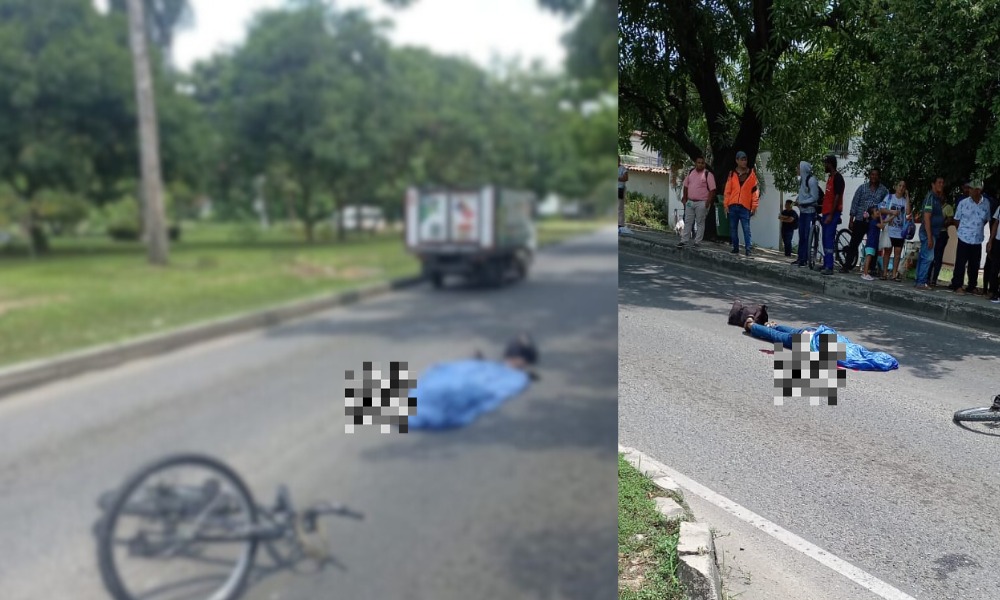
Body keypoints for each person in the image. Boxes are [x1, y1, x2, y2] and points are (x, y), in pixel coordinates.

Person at [408, 334, 539, 430]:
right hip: (458, 389)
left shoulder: (500, 369)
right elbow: (494, 391)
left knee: (445, 384)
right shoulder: (513, 376)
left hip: (449, 389)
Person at [741, 318, 898, 371]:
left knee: (791, 331)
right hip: (809, 341)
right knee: (778, 337)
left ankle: (771, 325)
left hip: (817, 332)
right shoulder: (855, 359)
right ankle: (751, 326)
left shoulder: (859, 350)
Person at [948, 180, 992, 295]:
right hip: (964, 237)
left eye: (972, 189)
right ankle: (957, 285)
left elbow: (987, 219)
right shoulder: (963, 203)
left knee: (974, 264)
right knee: (960, 263)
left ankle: (972, 286)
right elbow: (956, 219)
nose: (970, 190)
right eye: (970, 188)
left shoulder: (986, 203)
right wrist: (962, 230)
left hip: (977, 239)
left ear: (979, 190)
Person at [843, 168, 889, 273]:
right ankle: (847, 265)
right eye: (872, 174)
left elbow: (885, 206)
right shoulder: (862, 188)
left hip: (874, 221)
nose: (874, 177)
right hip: (860, 219)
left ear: (879, 177)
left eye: (876, 175)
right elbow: (855, 203)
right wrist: (851, 219)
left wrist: (883, 220)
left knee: (873, 244)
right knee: (854, 242)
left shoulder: (883, 191)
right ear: (869, 176)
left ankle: (871, 268)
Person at [724, 150, 760, 257]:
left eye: (745, 159)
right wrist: (726, 205)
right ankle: (735, 248)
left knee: (746, 229)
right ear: (737, 160)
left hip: (745, 206)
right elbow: (727, 191)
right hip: (733, 205)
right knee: (733, 228)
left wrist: (754, 206)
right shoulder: (732, 174)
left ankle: (748, 249)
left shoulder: (752, 175)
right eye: (742, 159)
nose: (744, 162)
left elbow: (755, 192)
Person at [915, 176, 947, 290]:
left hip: (933, 233)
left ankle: (919, 280)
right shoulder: (930, 198)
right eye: (939, 182)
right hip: (929, 232)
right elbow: (927, 217)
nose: (941, 185)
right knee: (928, 257)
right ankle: (921, 281)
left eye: (942, 182)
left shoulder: (937, 198)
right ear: (933, 184)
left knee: (924, 256)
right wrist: (929, 237)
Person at [678, 155, 717, 248]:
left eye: (702, 163)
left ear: (704, 164)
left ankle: (697, 242)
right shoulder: (691, 172)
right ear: (695, 163)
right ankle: (684, 240)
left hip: (702, 202)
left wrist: (708, 202)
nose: (700, 164)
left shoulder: (708, 174)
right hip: (690, 202)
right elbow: (686, 186)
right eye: (698, 162)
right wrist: (684, 198)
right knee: (687, 221)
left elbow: (712, 190)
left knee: (700, 222)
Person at [878, 180, 911, 281]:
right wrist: (892, 211)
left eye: (903, 186)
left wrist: (908, 197)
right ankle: (884, 273)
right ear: (896, 187)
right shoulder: (889, 197)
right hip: (889, 229)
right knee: (887, 251)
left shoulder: (904, 201)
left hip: (900, 231)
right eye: (899, 185)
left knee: (897, 252)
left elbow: (908, 213)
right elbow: (881, 209)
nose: (901, 188)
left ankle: (894, 274)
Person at [819, 155, 846, 275]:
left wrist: (831, 214)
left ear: (830, 164)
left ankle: (829, 267)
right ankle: (826, 263)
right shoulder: (830, 177)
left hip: (832, 213)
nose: (824, 166)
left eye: (825, 163)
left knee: (829, 239)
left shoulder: (838, 178)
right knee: (825, 239)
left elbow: (837, 197)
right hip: (826, 212)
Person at [792, 161, 821, 267]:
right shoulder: (802, 180)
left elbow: (814, 197)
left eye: (798, 168)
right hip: (803, 212)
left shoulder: (811, 180)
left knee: (806, 235)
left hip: (810, 212)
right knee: (801, 235)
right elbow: (803, 194)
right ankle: (800, 258)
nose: (797, 170)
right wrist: (797, 200)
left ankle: (804, 258)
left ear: (803, 169)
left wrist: (802, 202)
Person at [861, 206, 885, 281]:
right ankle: (865, 273)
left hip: (872, 243)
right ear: (872, 215)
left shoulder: (873, 222)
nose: (878, 211)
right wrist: (881, 216)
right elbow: (882, 226)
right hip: (871, 243)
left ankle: (865, 273)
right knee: (868, 258)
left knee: (869, 258)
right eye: (876, 211)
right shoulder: (873, 222)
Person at [618, 157, 632, 235]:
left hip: (620, 189)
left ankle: (620, 224)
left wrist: (618, 178)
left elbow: (626, 178)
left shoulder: (623, 168)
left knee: (620, 207)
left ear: (619, 161)